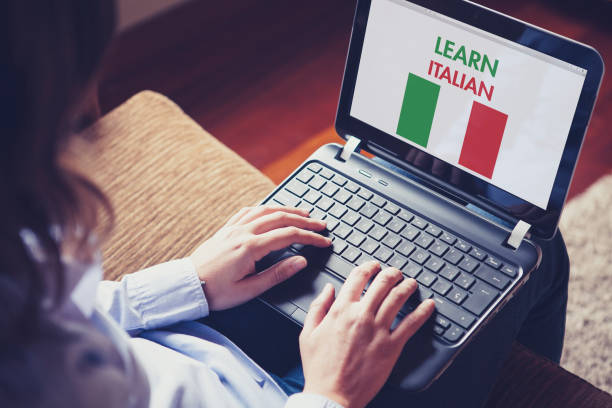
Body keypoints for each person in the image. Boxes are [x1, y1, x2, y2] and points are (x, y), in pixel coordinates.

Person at [0, 2, 569, 407]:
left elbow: (73, 312)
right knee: (538, 247)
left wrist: (187, 281)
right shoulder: (34, 367)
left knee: (458, 206)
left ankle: (446, 151)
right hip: (294, 392)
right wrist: (330, 393)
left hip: (203, 347)